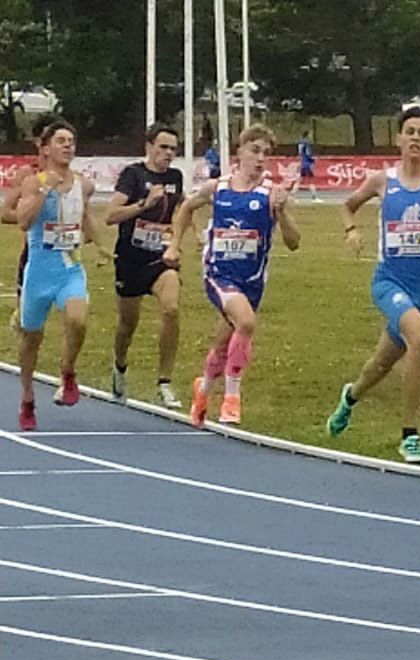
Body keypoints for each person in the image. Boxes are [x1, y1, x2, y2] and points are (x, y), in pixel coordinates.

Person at [327, 107, 420, 463]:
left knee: (382, 363)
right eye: (410, 131)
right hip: (388, 282)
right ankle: (410, 436)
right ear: (399, 139)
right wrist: (351, 230)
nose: (416, 137)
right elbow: (348, 205)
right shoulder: (382, 181)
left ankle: (351, 396)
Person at [164, 124, 300, 426]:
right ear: (240, 151)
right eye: (255, 150)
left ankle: (204, 389)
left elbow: (294, 242)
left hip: (252, 280)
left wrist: (283, 213)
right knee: (247, 322)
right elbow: (186, 207)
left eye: (266, 153)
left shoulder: (271, 194)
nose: (260, 158)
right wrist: (175, 245)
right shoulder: (219, 188)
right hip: (219, 273)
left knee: (226, 343)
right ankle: (231, 398)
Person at [13, 120, 109, 430]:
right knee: (31, 339)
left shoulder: (84, 184)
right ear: (45, 149)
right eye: (61, 140)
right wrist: (45, 189)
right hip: (39, 272)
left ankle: (67, 373)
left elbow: (83, 216)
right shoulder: (33, 182)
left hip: (70, 267)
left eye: (71, 140)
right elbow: (24, 222)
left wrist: (101, 246)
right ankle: (27, 396)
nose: (68, 146)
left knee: (78, 319)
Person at [104, 122, 185, 408]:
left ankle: (165, 382)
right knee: (128, 324)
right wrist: (144, 203)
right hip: (130, 259)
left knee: (172, 308)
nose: (168, 153)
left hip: (160, 259)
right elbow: (110, 215)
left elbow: (180, 210)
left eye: (173, 149)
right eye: (163, 147)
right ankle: (120, 365)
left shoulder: (176, 176)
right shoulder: (133, 175)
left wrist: (187, 236)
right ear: (149, 147)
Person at [2, 114, 56, 333]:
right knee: (29, 326)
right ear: (38, 143)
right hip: (34, 254)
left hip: (66, 255)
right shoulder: (28, 173)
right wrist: (32, 217)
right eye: (50, 138)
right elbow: (5, 213)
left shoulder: (72, 176)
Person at [297, 131, 320, 203]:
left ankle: (290, 195)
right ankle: (314, 197)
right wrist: (313, 159)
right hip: (307, 165)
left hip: (303, 164)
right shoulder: (306, 143)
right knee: (310, 181)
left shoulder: (300, 142)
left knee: (299, 181)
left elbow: (301, 153)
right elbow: (308, 153)